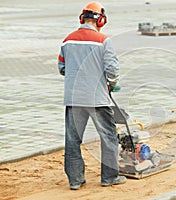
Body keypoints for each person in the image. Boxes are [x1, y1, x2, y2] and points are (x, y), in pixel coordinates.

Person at [57, 1, 126, 190]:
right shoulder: (104, 41)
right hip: (97, 99)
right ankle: (109, 177)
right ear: (100, 20)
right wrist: (112, 84)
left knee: (73, 140)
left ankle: (75, 180)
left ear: (82, 18)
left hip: (73, 98)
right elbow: (112, 70)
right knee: (109, 137)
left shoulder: (67, 40)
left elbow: (62, 68)